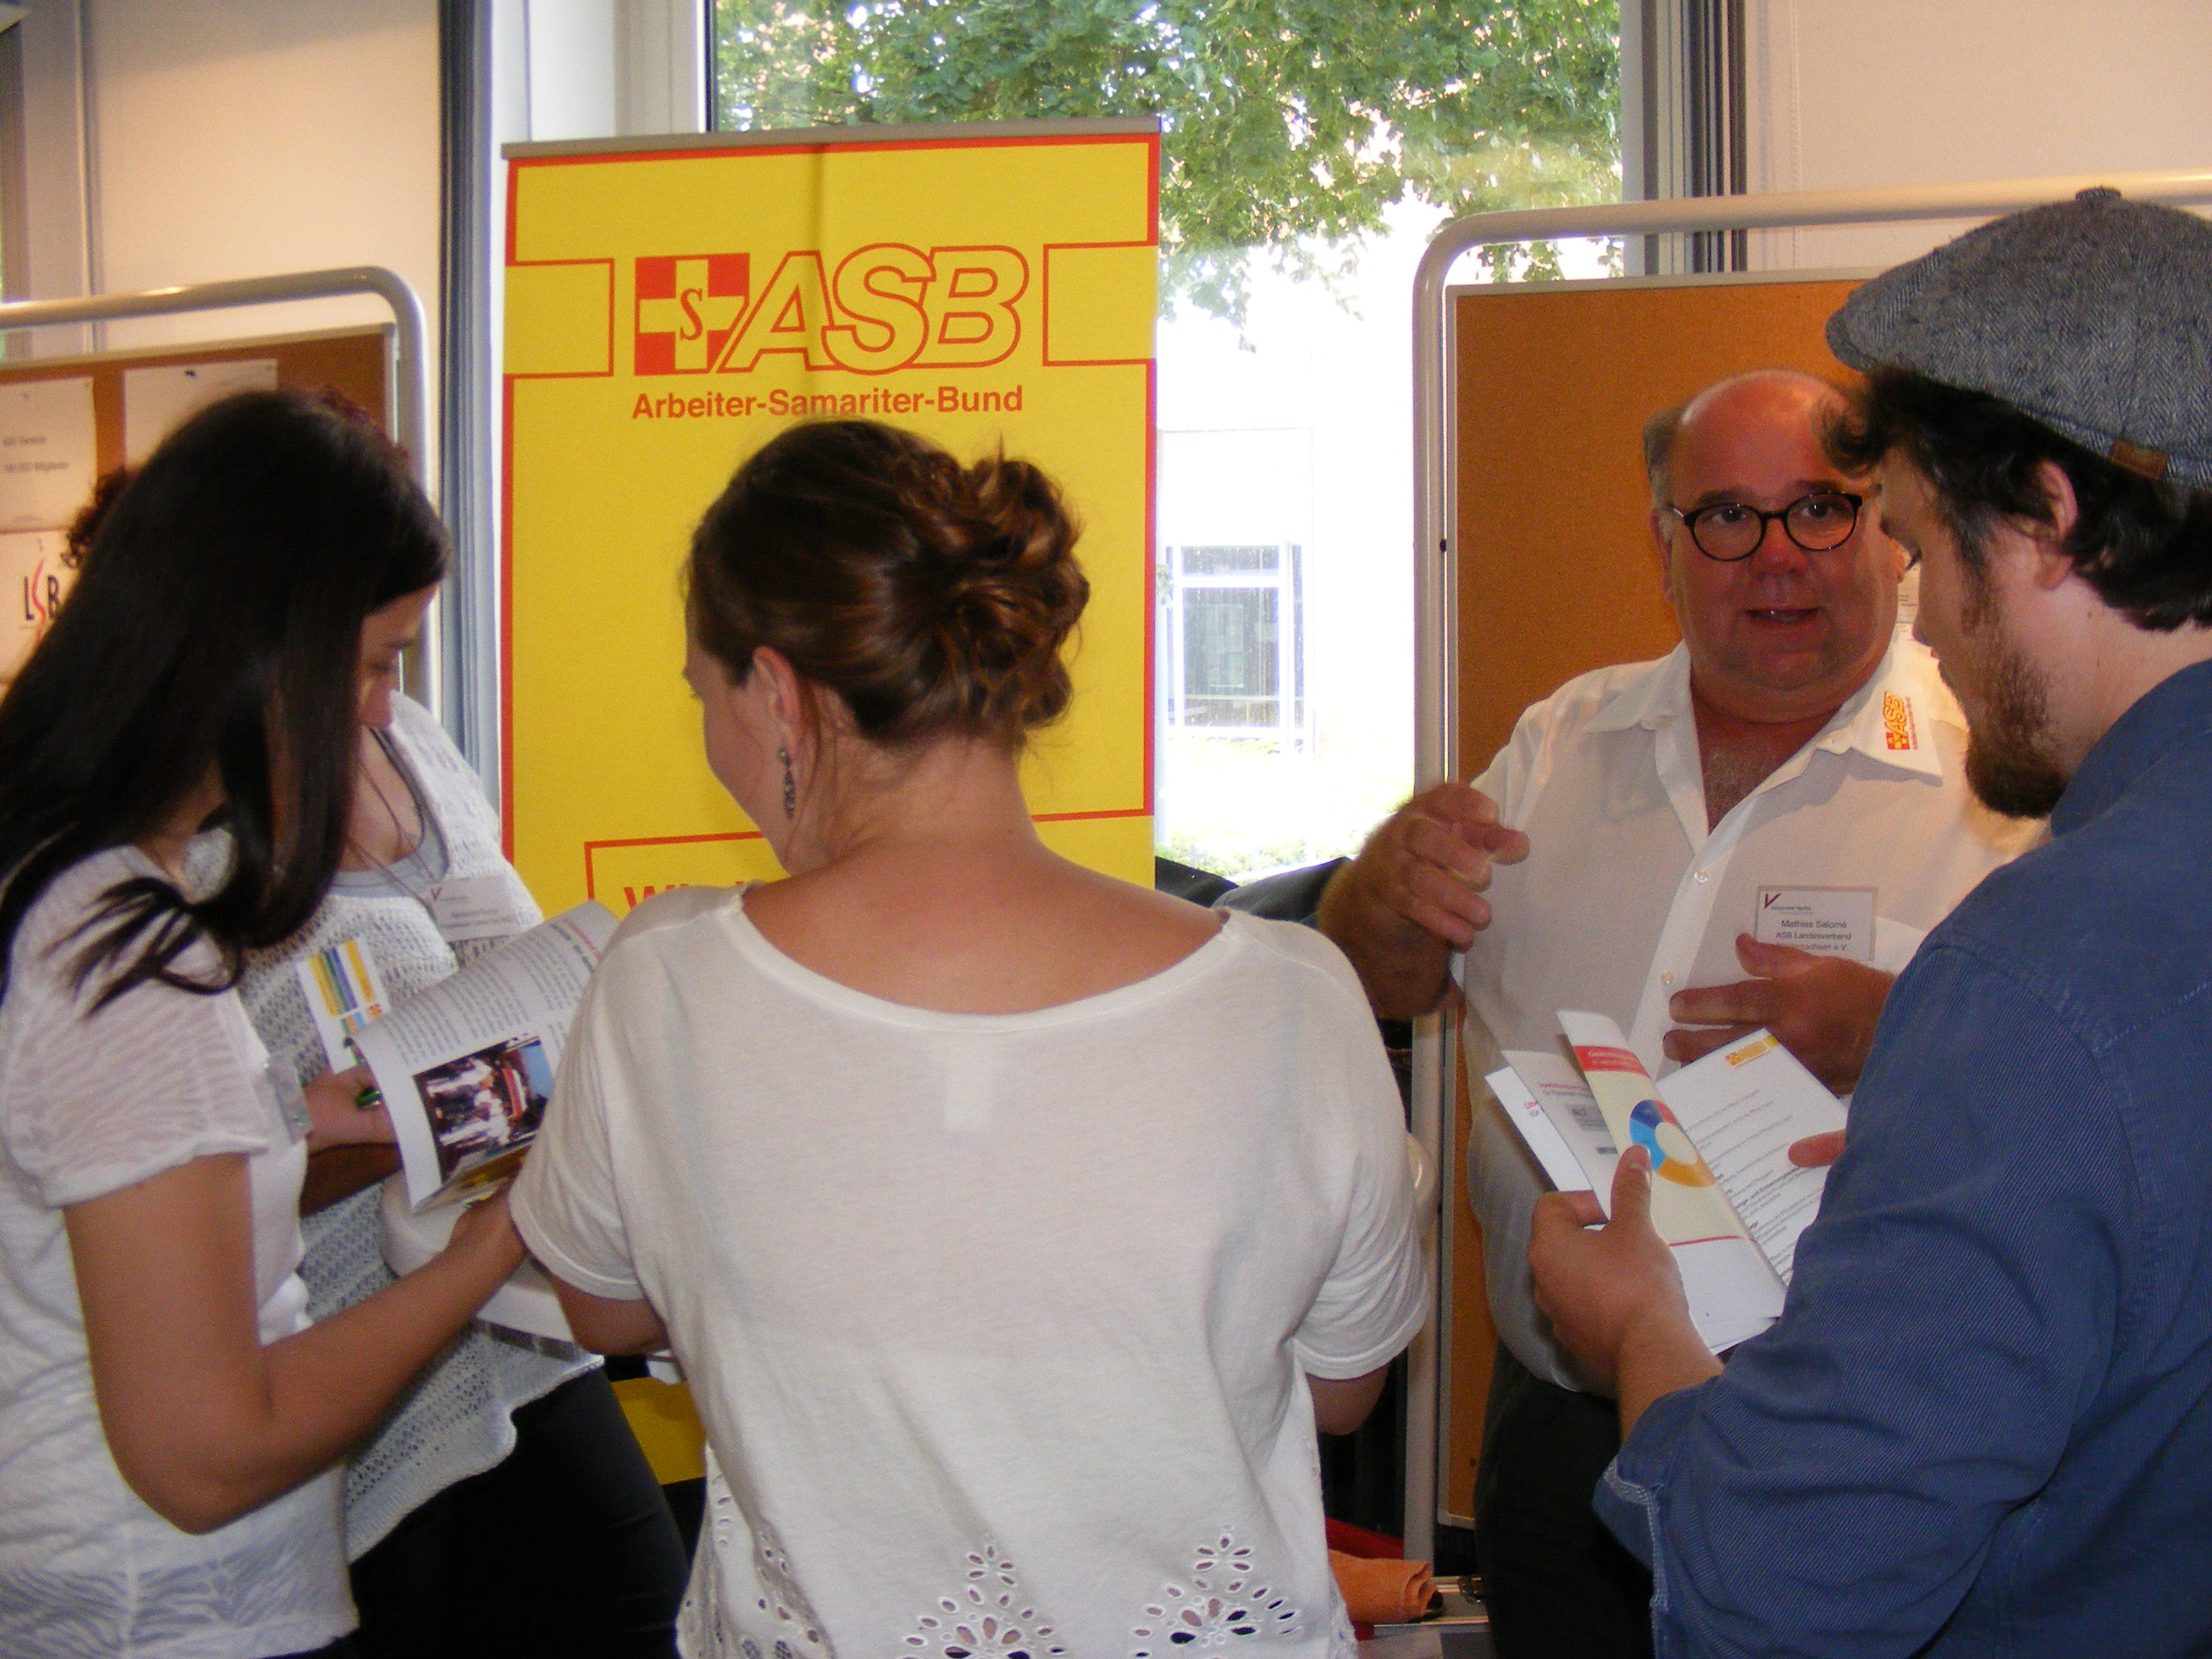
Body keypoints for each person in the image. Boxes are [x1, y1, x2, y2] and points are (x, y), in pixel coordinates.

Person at [511, 420, 1430, 1655]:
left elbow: (605, 1308)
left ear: (778, 693)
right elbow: (1338, 1390)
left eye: (706, 697)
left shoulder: (664, 981)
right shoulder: (1292, 999)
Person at [1529, 186, 2212, 1658]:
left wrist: (1645, 1325)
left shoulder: (2037, 978)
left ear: (2042, 519)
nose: (1935, 636)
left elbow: (1785, 1589)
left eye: (1911, 541)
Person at [1316, 369, 2038, 1656]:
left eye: (1821, 508)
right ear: (1664, 542)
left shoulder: (1993, 781)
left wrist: (1900, 1031)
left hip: (1845, 1435)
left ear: (1888, 527)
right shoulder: (1560, 741)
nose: (1778, 558)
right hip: (1560, 1430)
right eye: (1727, 518)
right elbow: (1381, 982)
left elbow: (2087, 1107)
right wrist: (1383, 889)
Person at [0, 390, 525, 1656]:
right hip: (177, 1616)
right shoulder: (126, 953)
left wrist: (301, 1123)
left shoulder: (54, 877)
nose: (377, 714)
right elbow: (207, 1451)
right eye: (371, 663)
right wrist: (503, 1242)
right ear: (256, 643)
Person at [197, 681, 688, 1655]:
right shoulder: (178, 836)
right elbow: (177, 1206)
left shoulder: (414, 741)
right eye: (370, 652)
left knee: (641, 1608)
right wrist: (403, 1131)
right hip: (337, 1374)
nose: (383, 702)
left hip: (514, 1329)